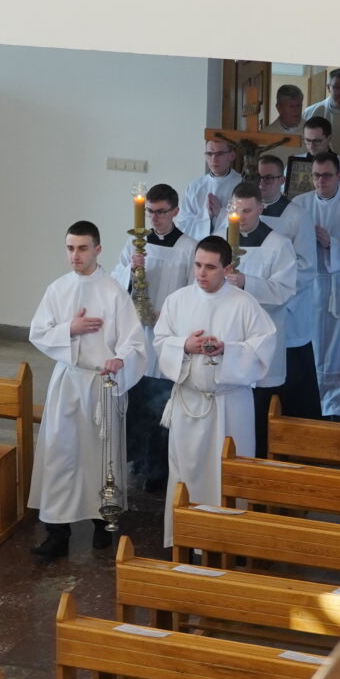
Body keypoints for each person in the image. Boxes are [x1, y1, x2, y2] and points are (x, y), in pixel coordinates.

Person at [28, 221, 148, 559]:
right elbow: (38, 332)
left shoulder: (113, 292)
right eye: (70, 248)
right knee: (60, 453)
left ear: (98, 250)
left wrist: (119, 360)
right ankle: (57, 531)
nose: (75, 255)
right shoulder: (58, 289)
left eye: (82, 248)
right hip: (68, 381)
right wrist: (70, 328)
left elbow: (134, 343)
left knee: (100, 456)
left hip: (101, 384)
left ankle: (101, 522)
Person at [152, 237, 278, 547]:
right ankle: (185, 539)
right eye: (197, 265)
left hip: (229, 405)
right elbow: (160, 341)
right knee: (185, 473)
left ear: (227, 268)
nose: (201, 273)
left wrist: (227, 351)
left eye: (210, 267)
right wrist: (184, 345)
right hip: (189, 404)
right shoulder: (177, 300)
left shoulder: (244, 303)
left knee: (229, 473)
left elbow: (264, 347)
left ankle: (230, 543)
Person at [110, 183, 194, 492]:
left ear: (175, 211)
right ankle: (137, 461)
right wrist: (130, 272)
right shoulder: (136, 244)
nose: (155, 218)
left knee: (161, 403)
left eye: (161, 212)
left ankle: (159, 470)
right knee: (137, 398)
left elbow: (192, 293)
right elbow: (115, 281)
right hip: (138, 334)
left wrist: (168, 316)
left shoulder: (189, 248)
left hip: (168, 336)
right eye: (150, 212)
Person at [278, 151, 340, 420]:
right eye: (316, 176)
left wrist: (332, 243)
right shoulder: (299, 204)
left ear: (339, 176)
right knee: (309, 342)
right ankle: (309, 400)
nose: (321, 181)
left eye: (327, 176)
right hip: (308, 287)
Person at [225, 184, 300, 456]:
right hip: (228, 338)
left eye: (247, 211)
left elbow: (285, 290)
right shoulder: (219, 241)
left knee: (259, 411)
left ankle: (258, 463)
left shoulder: (278, 245)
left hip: (262, 338)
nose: (241, 217)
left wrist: (247, 282)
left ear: (260, 208)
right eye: (236, 210)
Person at [177, 137, 243, 241]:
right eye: (209, 154)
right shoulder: (195, 187)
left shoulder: (242, 185)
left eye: (220, 154)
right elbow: (183, 224)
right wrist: (206, 214)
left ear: (232, 155)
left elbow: (248, 221)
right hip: (198, 245)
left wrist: (220, 212)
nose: (214, 159)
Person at [300, 116, 340, 200]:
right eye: (307, 140)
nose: (311, 146)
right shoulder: (294, 163)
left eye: (317, 141)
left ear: (329, 139)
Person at [255, 153, 292, 218]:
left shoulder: (297, 215)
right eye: (257, 177)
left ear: (282, 180)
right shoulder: (240, 209)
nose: (261, 183)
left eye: (268, 178)